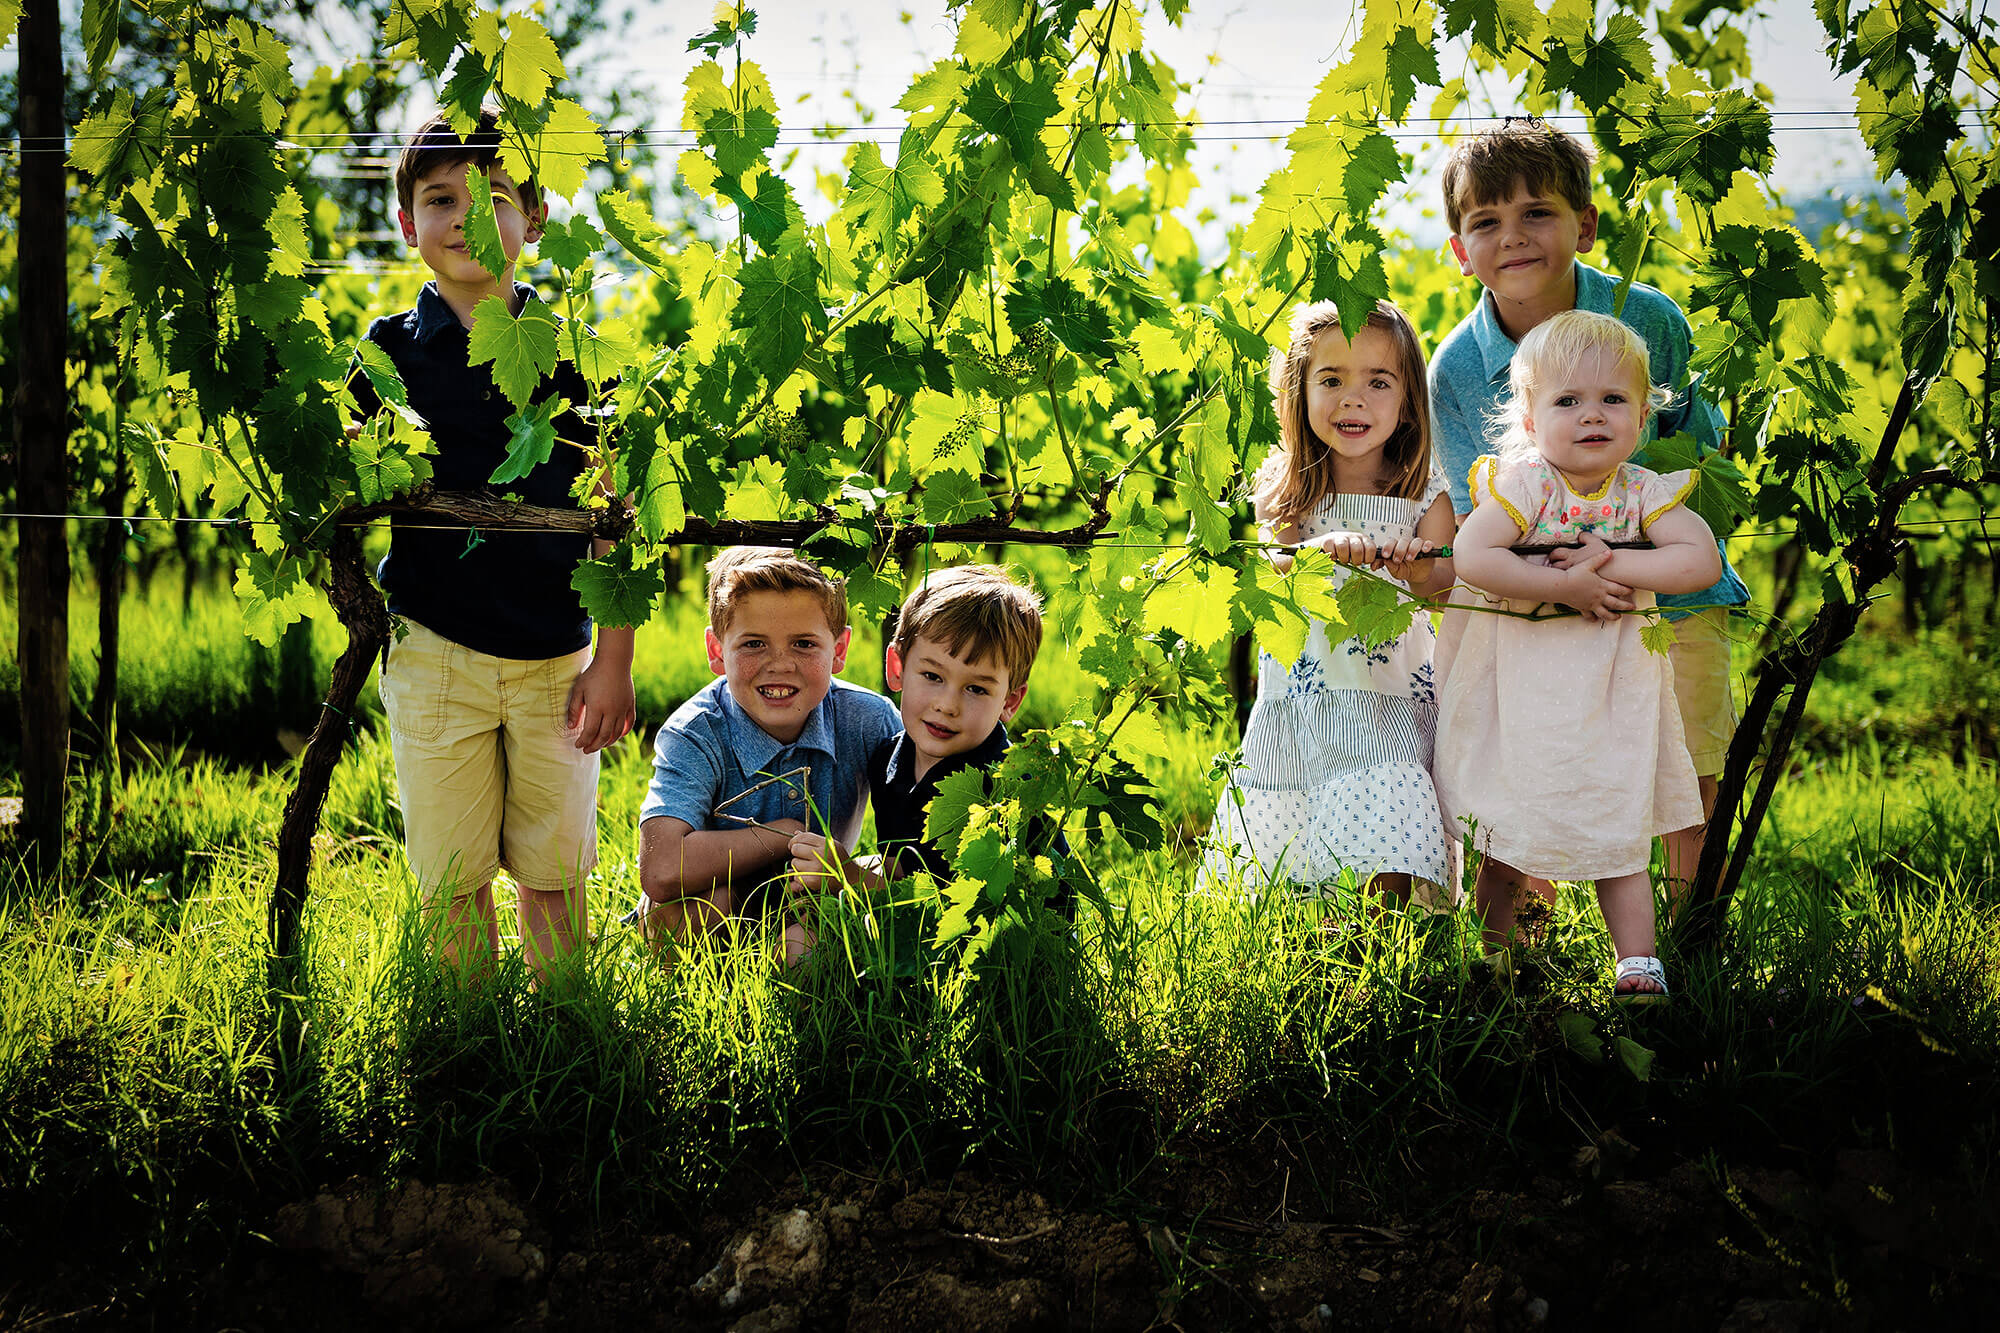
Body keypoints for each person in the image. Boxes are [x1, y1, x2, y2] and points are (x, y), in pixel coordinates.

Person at [1427, 118, 1749, 917]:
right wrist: (1562, 582)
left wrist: (1618, 555)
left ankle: (1685, 940)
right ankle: (1523, 945)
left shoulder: (1653, 321)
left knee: (1688, 761)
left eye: (1538, 212)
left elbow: (1690, 465)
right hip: (1536, 609)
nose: (1515, 236)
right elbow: (1480, 516)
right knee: (1526, 764)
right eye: (1487, 222)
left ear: (1586, 224)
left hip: (1671, 593)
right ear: (1460, 250)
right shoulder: (1459, 367)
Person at [355, 108, 633, 981]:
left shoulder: (580, 353)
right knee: (453, 875)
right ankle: (469, 1035)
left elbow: (617, 517)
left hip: (559, 658)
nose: (468, 217)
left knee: (554, 874)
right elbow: (344, 480)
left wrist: (615, 658)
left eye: (495, 196)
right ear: (408, 225)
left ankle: (562, 1030)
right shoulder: (386, 356)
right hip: (433, 650)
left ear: (534, 220)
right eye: (441, 199)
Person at [1434, 310, 1722, 1002]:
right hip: (1525, 690)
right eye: (1568, 400)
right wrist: (1566, 585)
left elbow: (1701, 560)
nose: (1592, 415)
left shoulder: (1639, 493)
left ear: (1643, 415)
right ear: (1531, 420)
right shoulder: (1528, 485)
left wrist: (1618, 558)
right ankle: (1498, 962)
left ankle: (1639, 962)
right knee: (1510, 823)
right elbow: (1474, 553)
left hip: (1610, 693)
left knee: (1614, 816)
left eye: (1613, 399)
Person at [1204, 299, 1458, 908]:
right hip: (1306, 694)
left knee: (1388, 802)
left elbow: (1445, 586)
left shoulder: (1425, 491)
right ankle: (1323, 941)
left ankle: (1387, 946)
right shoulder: (1286, 485)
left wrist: (1417, 564)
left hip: (1390, 690)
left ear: (1407, 401)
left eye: (1378, 381)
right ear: (1300, 392)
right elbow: (1277, 571)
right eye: (1331, 380)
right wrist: (1320, 549)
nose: (1353, 399)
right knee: (1304, 834)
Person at [636, 547, 900, 964]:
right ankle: (702, 998)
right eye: (754, 644)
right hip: (716, 899)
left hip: (813, 898)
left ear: (840, 648)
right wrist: (783, 834)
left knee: (876, 885)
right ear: (717, 650)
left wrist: (844, 873)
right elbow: (662, 869)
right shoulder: (696, 731)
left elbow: (909, 847)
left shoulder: (870, 720)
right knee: (685, 914)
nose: (779, 665)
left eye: (804, 644)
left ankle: (790, 994)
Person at [784, 565, 1069, 915]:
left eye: (977, 688)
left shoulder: (999, 786)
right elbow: (905, 864)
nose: (947, 705)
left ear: (1010, 701)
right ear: (897, 668)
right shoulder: (888, 758)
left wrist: (849, 875)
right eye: (933, 676)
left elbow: (946, 895)